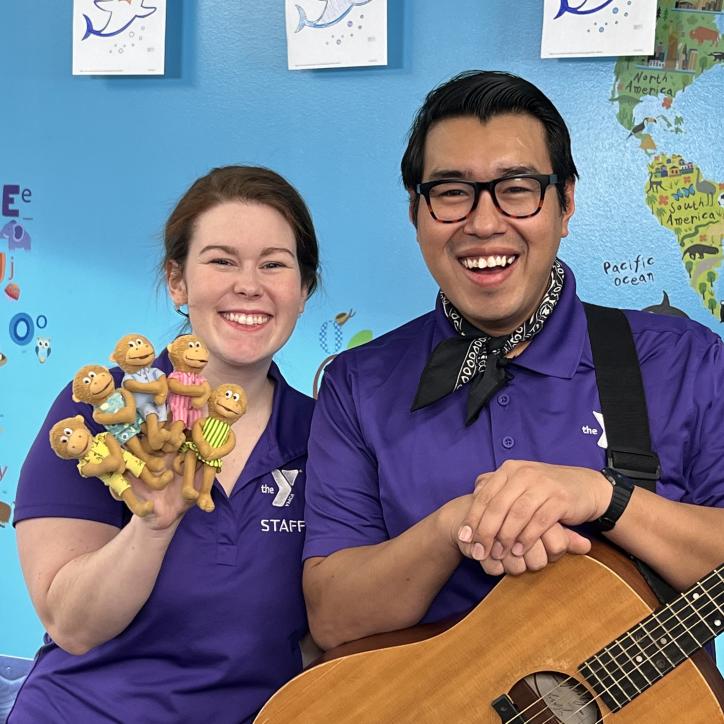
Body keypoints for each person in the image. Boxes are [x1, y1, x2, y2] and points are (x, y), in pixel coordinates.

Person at [301, 71, 724, 652]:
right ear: (416, 214)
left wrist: (603, 497)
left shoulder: (683, 360)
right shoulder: (356, 385)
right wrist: (457, 524)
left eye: (517, 187)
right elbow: (334, 619)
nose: (482, 222)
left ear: (565, 203)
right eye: (451, 192)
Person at [11, 165, 320, 723]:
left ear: (303, 289)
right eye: (221, 260)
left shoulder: (327, 437)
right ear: (178, 282)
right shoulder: (105, 410)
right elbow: (71, 626)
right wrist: (152, 528)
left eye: (274, 264)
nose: (248, 285)